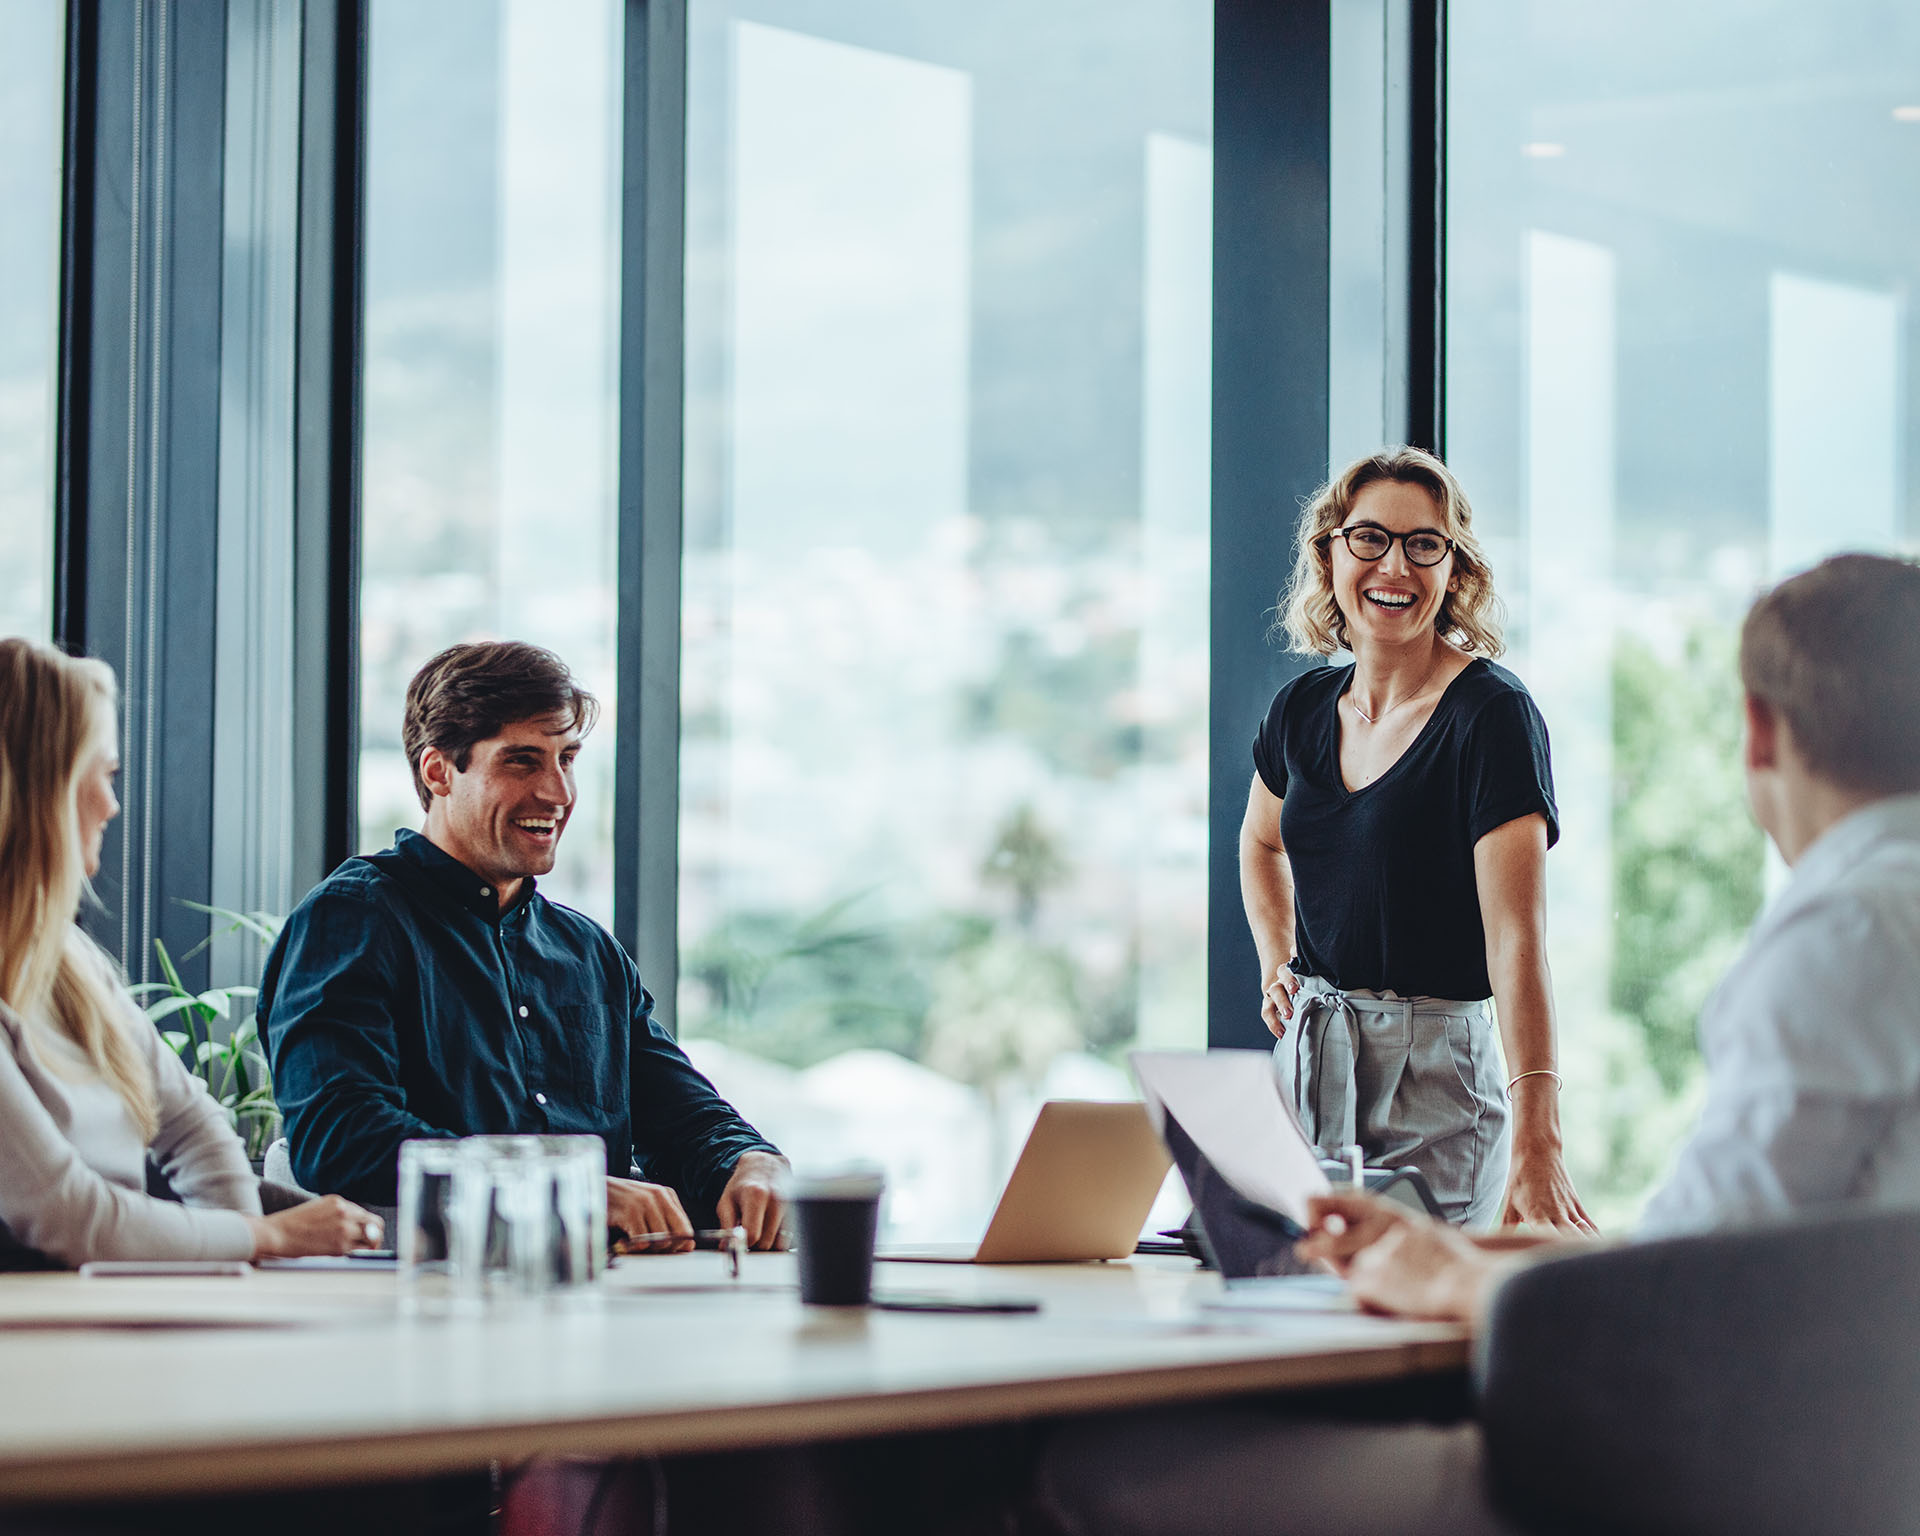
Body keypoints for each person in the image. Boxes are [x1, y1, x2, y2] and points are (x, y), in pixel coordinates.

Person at [1037, 552, 1920, 1536]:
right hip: (1843, 1462)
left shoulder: (1846, 936)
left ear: (1759, 732)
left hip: (1686, 1475)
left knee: (1099, 1467)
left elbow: (1683, 1303)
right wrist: (1465, 1244)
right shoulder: (1887, 917)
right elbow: (1760, 1243)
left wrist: (1449, 1275)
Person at [261, 641, 788, 1250]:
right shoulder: (352, 919)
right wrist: (562, 1186)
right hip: (425, 1302)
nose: (558, 793)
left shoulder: (588, 950)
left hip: (605, 1296)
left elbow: (682, 1116)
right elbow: (341, 1137)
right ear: (438, 772)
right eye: (522, 762)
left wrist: (751, 1159)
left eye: (567, 759)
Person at [1245, 446, 1589, 1230]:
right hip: (1307, 1061)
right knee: (1294, 1317)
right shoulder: (1299, 710)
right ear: (1330, 553)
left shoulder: (1491, 717)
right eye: (1369, 537)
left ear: (1454, 569)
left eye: (1422, 543)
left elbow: (1517, 941)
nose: (1393, 565)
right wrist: (1276, 961)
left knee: (1415, 1332)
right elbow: (1261, 844)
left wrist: (1541, 1139)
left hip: (1436, 1078)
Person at [0, 638, 381, 1269]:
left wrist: (237, 1260)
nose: (113, 804)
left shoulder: (68, 960)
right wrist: (266, 1238)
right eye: (106, 774)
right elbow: (67, 1214)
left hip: (104, 1310)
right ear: (48, 788)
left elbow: (190, 1123)